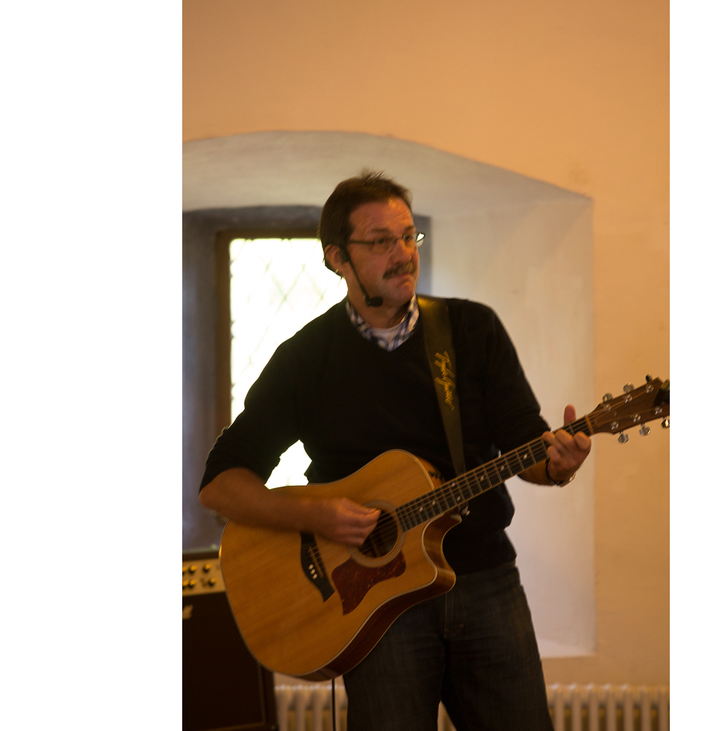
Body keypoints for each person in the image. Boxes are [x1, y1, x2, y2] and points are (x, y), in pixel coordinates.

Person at [199, 171, 591, 731]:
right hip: (374, 606)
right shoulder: (305, 359)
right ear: (338, 257)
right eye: (381, 241)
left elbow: (524, 443)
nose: (403, 253)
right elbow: (222, 484)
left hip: (484, 581)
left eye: (409, 236)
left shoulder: (470, 329)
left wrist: (556, 466)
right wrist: (319, 516)